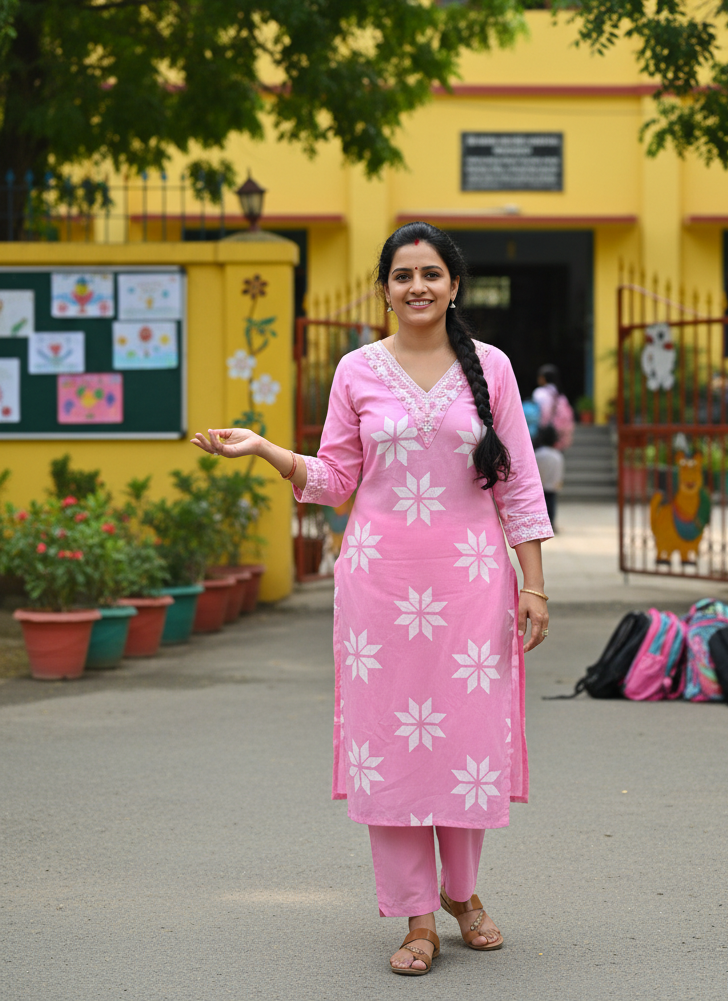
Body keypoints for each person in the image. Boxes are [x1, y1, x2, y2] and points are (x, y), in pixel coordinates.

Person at [191, 222, 552, 977]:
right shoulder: (357, 370)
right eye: (402, 275)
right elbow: (334, 480)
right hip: (380, 590)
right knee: (391, 746)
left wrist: (535, 584)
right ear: (384, 290)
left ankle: (463, 893)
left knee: (462, 743)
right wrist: (264, 448)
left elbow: (517, 482)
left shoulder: (493, 368)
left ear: (454, 285)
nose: (416, 286)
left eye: (430, 274)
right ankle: (417, 917)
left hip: (471, 583)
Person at [532, 364, 574, 450]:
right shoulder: (561, 396)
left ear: (543, 378)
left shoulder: (539, 393)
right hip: (559, 434)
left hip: (544, 433)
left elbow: (538, 414)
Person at [533, 424, 564, 530]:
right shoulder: (557, 455)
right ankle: (551, 524)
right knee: (551, 505)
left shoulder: (538, 454)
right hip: (552, 485)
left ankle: (540, 524)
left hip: (540, 485)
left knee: (539, 506)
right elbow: (559, 472)